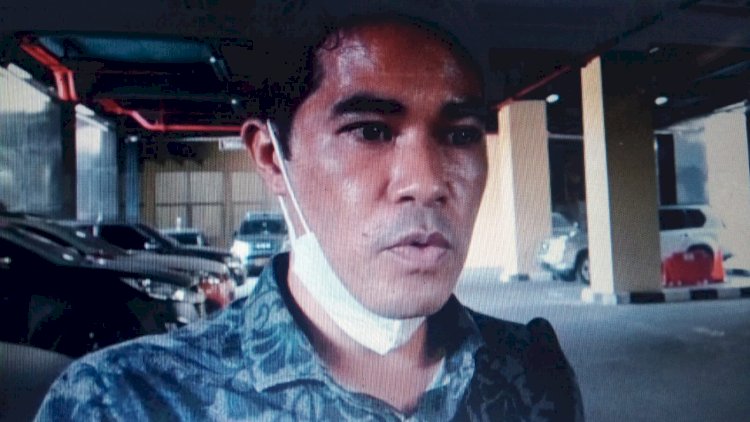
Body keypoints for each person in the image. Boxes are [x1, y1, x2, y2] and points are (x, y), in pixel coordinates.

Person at [36, 12, 583, 421]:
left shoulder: (532, 372)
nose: (426, 181)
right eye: (370, 130)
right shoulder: (124, 401)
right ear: (273, 158)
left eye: (460, 135)